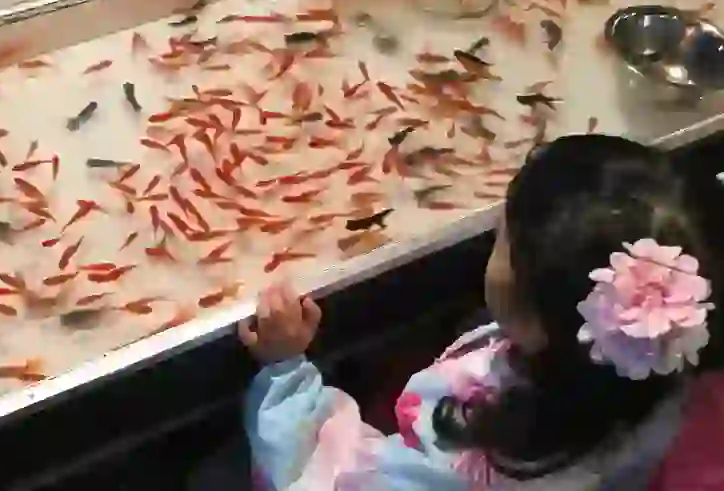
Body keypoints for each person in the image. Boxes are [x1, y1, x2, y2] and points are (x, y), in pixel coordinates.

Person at [240, 134, 724, 490]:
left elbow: (323, 476)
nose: (496, 229)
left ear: (534, 319)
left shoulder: (459, 468)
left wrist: (287, 374)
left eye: (503, 236)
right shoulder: (658, 371)